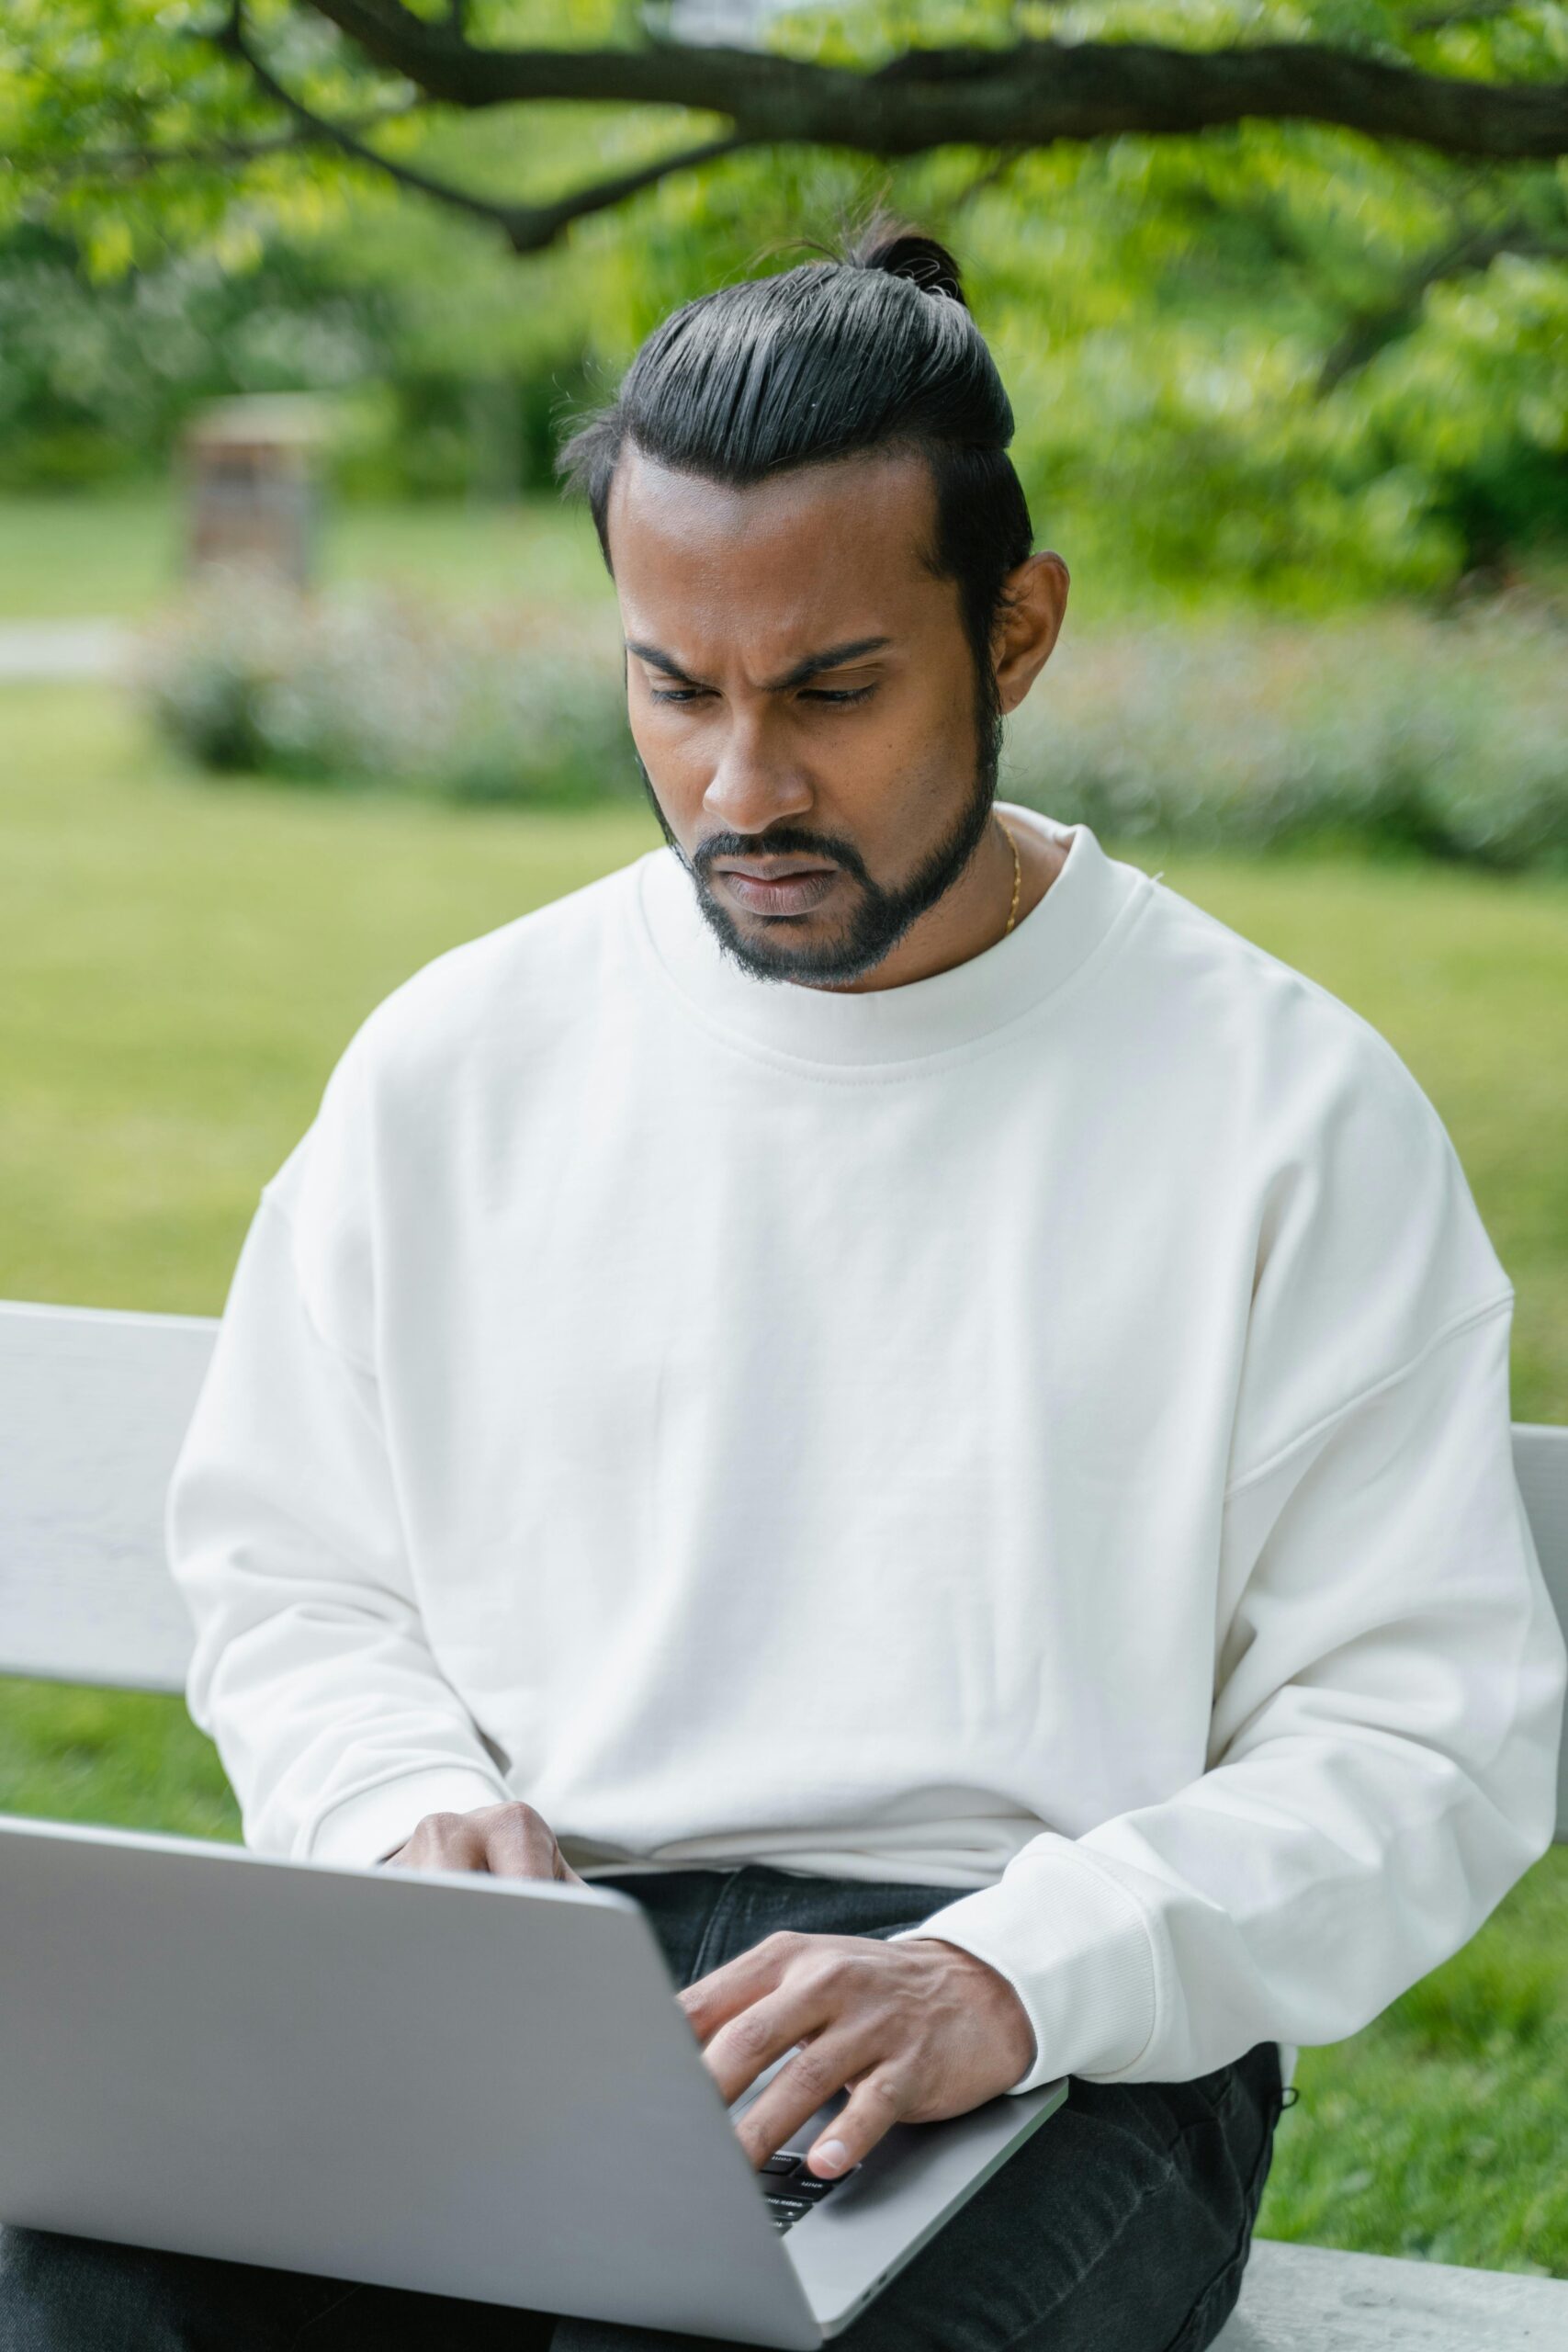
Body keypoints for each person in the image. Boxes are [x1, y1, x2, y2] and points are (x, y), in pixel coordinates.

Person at [4, 225, 1562, 2352]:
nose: (740, 788)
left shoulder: (1279, 1108)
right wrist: (392, 1804)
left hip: (1046, 2034)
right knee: (62, 2271)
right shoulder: (464, 1059)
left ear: (1012, 630)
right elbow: (295, 1569)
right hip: (523, 1987)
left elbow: (1416, 1734)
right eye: (674, 687)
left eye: (831, 690)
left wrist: (1008, 1971)